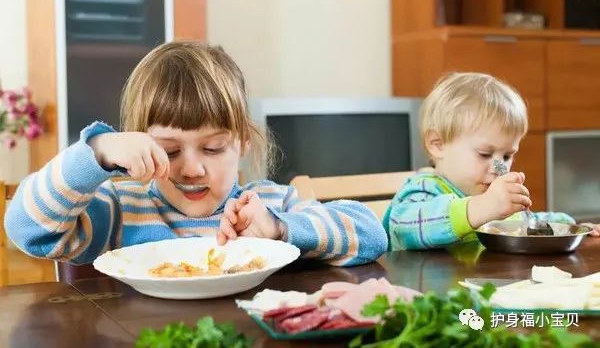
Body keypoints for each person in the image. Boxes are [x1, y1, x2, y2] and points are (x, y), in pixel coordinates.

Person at [4, 41, 387, 266]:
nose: (191, 169)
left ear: (242, 143)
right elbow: (27, 230)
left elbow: (371, 235)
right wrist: (96, 153)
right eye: (168, 151)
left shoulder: (271, 204)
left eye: (213, 147)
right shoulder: (120, 210)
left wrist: (279, 228)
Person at [383, 72, 600, 251]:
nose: (500, 168)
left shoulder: (492, 197)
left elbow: (527, 223)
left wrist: (572, 226)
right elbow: (404, 227)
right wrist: (481, 208)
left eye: (507, 156)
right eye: (485, 154)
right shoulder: (424, 189)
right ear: (438, 144)